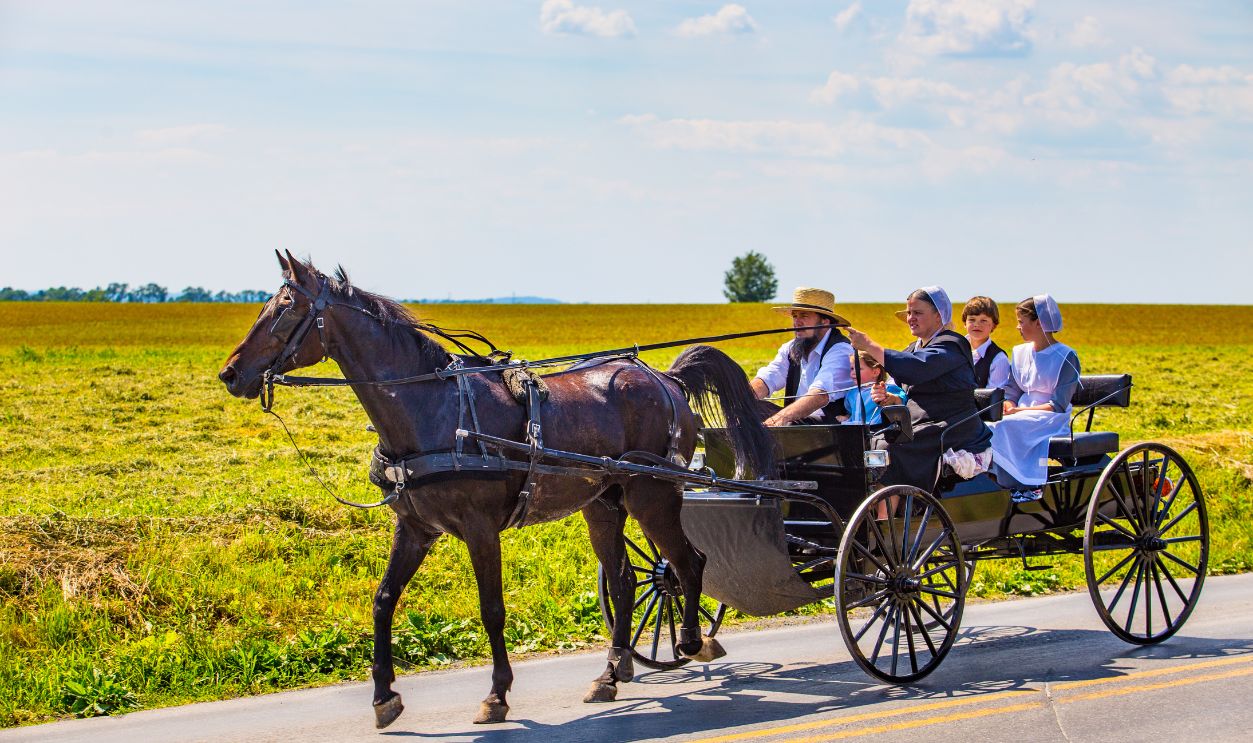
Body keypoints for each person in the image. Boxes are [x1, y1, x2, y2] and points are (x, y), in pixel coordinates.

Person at [847, 286, 992, 491]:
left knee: (888, 448)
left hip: (952, 424)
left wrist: (870, 345)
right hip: (918, 423)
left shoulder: (952, 345)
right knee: (866, 440)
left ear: (938, 316)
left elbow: (916, 368)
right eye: (909, 313)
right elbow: (904, 386)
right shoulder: (913, 348)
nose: (910, 318)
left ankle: (886, 514)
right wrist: (890, 398)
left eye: (918, 313)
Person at [988, 294, 1082, 504]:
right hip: (1021, 413)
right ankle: (999, 480)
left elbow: (1058, 404)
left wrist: (1018, 412)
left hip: (1050, 418)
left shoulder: (1066, 356)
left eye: (1021, 322)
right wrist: (1009, 404)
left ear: (1038, 323)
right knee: (990, 424)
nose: (1018, 327)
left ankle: (1023, 484)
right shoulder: (1020, 353)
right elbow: (1012, 390)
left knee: (1002, 427)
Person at [751, 287, 856, 426]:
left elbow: (820, 394)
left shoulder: (840, 350)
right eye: (795, 316)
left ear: (825, 321)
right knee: (748, 409)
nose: (797, 322)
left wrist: (781, 418)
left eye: (804, 316)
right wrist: (742, 397)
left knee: (789, 424)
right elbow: (769, 377)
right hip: (796, 421)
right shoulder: (790, 348)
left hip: (831, 427)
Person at [839, 352, 907, 425]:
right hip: (856, 432)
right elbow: (851, 412)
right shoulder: (851, 393)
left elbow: (902, 400)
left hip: (878, 431)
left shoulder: (886, 388)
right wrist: (847, 418)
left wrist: (892, 398)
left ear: (875, 372)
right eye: (852, 368)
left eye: (859, 368)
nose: (853, 372)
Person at [962, 296, 1010, 389]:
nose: (976, 324)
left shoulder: (999, 359)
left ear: (994, 325)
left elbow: (992, 397)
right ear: (965, 323)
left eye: (983, 320)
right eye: (972, 319)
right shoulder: (954, 348)